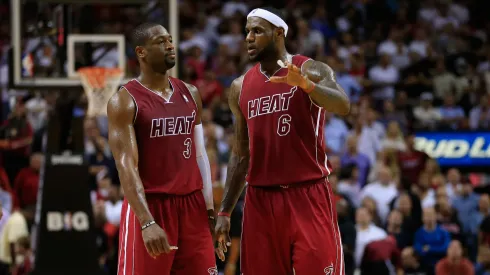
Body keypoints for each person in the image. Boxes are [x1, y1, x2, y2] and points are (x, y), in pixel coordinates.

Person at [214, 7, 350, 275]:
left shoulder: (308, 68)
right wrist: (225, 212)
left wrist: (306, 85)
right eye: (247, 32)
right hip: (260, 200)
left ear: (278, 34)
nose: (249, 38)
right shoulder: (240, 87)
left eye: (257, 31)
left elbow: (343, 104)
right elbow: (241, 154)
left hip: (307, 194)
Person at [107, 22, 217, 275]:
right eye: (160, 41)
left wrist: (209, 209)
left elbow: (199, 155)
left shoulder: (190, 92)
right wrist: (146, 222)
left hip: (192, 207)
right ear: (141, 52)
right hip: (151, 206)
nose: (170, 45)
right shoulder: (124, 101)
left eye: (170, 40)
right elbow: (126, 166)